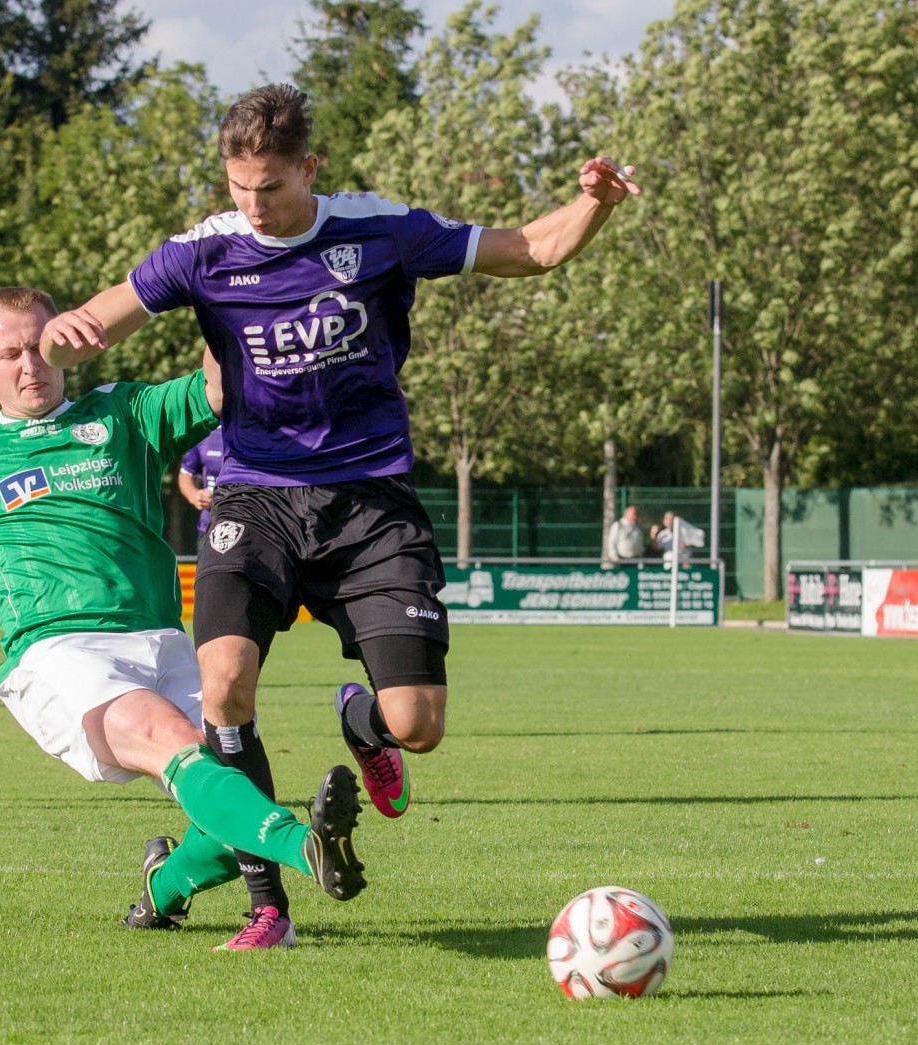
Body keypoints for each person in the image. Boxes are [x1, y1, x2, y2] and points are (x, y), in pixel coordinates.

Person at [37, 83, 639, 945]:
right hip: (255, 497)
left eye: (272, 187)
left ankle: (362, 720)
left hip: (369, 504)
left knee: (417, 727)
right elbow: (101, 314)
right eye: (239, 187)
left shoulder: (378, 230)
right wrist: (71, 330)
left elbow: (531, 250)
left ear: (309, 168)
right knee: (224, 688)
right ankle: (268, 905)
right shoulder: (204, 251)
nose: (254, 205)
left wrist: (592, 202)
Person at [0, 287, 367, 946]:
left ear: (67, 341)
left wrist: (237, 283)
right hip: (57, 652)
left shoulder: (121, 412)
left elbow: (217, 385)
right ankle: (309, 848)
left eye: (40, 345)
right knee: (172, 741)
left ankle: (163, 888)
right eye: (9, 353)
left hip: (162, 639)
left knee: (225, 804)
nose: (29, 363)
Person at [176, 425, 225, 554]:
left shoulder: (255, 431)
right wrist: (194, 494)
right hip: (208, 528)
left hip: (248, 526)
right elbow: (185, 473)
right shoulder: (206, 434)